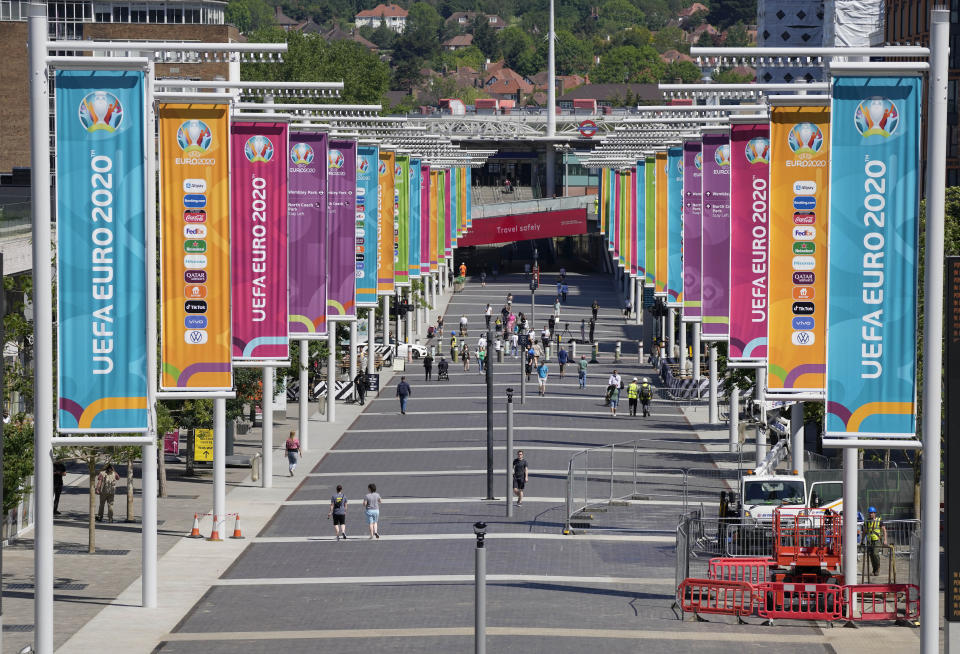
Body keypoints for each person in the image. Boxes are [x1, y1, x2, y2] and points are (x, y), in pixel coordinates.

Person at [864, 507, 888, 576]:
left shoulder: (879, 520)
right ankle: (874, 570)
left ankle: (877, 568)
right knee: (871, 555)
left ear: (875, 513)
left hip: (877, 540)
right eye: (869, 513)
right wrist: (862, 540)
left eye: (872, 513)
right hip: (869, 541)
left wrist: (885, 540)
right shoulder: (867, 521)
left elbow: (884, 530)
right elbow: (864, 531)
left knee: (875, 554)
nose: (870, 514)